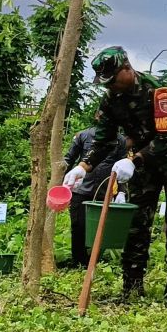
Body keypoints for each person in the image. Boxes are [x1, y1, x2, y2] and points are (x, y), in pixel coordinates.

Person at [63, 46, 167, 306]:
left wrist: (133, 159)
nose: (109, 87)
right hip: (141, 165)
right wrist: (83, 167)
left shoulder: (160, 92)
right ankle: (132, 287)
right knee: (137, 222)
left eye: (112, 80)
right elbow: (103, 139)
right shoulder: (111, 99)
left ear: (127, 69)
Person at [62, 115, 126, 268]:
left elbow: (122, 167)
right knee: (78, 226)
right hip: (81, 189)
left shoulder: (120, 140)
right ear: (97, 117)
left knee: (101, 227)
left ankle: (95, 259)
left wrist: (121, 191)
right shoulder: (83, 135)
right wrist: (61, 186)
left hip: (104, 191)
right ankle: (78, 261)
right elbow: (69, 159)